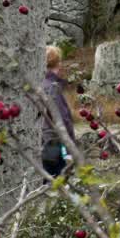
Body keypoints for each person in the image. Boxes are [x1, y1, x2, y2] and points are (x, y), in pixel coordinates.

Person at [41, 45, 76, 177]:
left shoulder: (38, 84)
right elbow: (63, 119)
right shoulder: (52, 87)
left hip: (40, 142)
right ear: (58, 63)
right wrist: (71, 148)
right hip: (53, 145)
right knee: (56, 182)